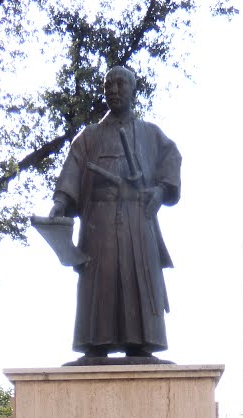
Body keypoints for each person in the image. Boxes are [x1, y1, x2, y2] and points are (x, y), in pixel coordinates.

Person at [49, 66, 181, 358]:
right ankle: (96, 345)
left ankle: (140, 344)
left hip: (138, 217)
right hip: (99, 222)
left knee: (138, 279)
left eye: (120, 84)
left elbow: (171, 160)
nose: (113, 90)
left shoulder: (151, 134)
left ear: (134, 89)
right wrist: (60, 204)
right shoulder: (89, 137)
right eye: (108, 85)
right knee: (100, 279)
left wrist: (159, 191)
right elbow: (71, 173)